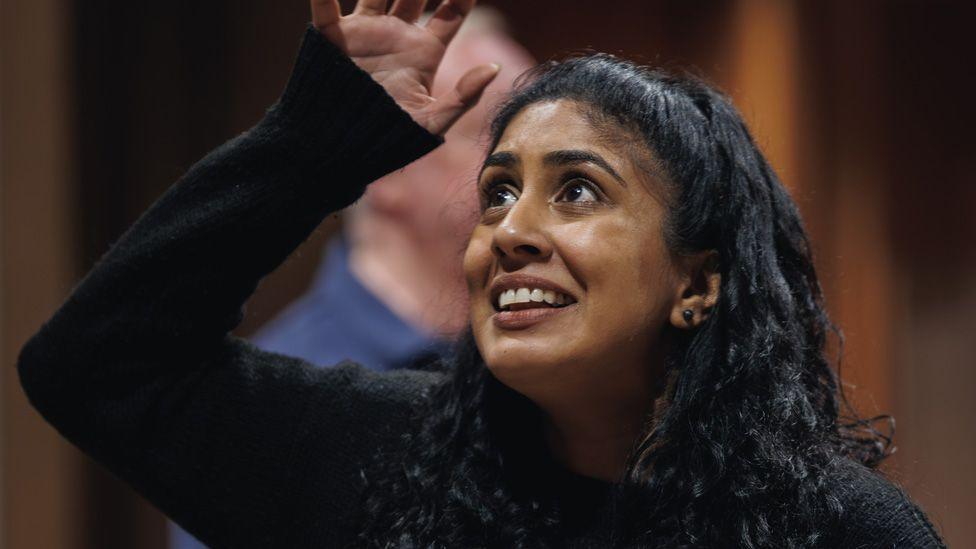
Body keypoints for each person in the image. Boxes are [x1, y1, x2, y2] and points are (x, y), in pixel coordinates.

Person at [17, 0, 945, 546]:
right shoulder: (379, 461)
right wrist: (314, 140)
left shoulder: (841, 530)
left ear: (697, 282)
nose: (509, 231)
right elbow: (98, 365)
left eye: (577, 191)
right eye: (496, 193)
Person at [166, 10, 534, 549]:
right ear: (384, 165)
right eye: (492, 134)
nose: (534, 170)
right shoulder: (272, 402)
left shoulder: (554, 364)